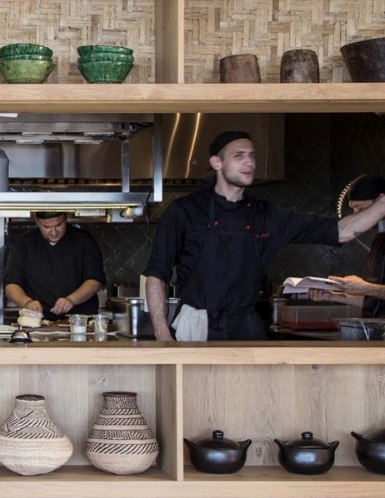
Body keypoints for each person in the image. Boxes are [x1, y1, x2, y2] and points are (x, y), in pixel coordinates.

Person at [143, 131, 385, 341]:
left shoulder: (266, 215)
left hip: (247, 328)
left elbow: (341, 231)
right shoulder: (184, 211)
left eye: (252, 155)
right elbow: (156, 274)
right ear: (216, 162)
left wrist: (382, 205)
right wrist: (162, 333)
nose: (248, 161)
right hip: (197, 325)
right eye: (239, 155)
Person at [4, 211, 106, 319]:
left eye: (59, 225)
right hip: (39, 322)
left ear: (66, 218)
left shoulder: (84, 241)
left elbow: (95, 281)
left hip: (80, 322)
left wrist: (71, 300)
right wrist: (27, 302)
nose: (54, 232)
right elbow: (11, 286)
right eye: (46, 227)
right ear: (37, 222)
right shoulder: (23, 245)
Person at [308, 175, 385, 317]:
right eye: (353, 209)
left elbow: (372, 291)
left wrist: (366, 288)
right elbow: (376, 303)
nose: (356, 215)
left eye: (360, 208)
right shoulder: (379, 240)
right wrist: (333, 296)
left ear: (381, 200)